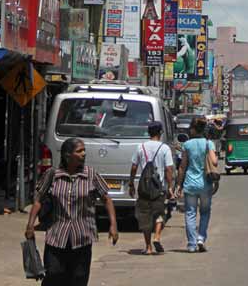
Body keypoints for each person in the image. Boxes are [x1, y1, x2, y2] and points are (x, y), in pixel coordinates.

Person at [25, 138, 118, 286]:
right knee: (54, 274)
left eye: (84, 150)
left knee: (79, 277)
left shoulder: (91, 174)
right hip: (57, 236)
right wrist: (30, 225)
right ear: (68, 155)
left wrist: (113, 225)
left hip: (82, 236)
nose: (84, 153)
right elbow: (38, 200)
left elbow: (107, 199)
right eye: (79, 151)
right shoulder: (52, 174)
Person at [128, 122, 174, 255]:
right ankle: (157, 237)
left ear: (149, 133)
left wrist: (131, 184)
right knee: (159, 213)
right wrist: (170, 186)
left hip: (144, 188)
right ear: (160, 133)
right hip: (159, 188)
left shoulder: (140, 147)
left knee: (145, 217)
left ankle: (148, 247)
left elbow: (134, 167)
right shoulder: (164, 148)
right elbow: (169, 169)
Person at [176, 118, 218, 253]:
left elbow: (182, 167)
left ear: (193, 129)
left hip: (190, 184)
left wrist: (178, 184)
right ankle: (201, 238)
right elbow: (214, 162)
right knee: (205, 212)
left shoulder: (187, 145)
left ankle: (191, 244)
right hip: (206, 184)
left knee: (190, 213)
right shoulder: (208, 144)